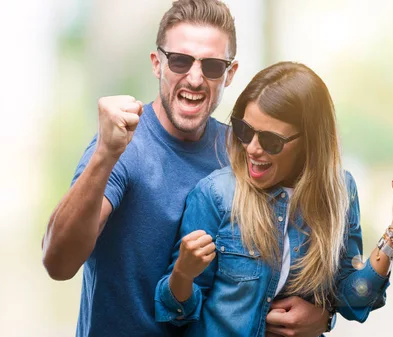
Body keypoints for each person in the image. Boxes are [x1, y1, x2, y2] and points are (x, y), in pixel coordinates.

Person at [41, 1, 331, 336]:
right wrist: (106, 153)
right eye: (180, 61)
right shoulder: (122, 147)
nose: (194, 78)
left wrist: (323, 314)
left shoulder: (243, 154)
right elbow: (58, 263)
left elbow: (291, 253)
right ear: (157, 64)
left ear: (229, 74)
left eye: (211, 66)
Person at [154, 61, 393, 337]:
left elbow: (355, 299)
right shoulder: (216, 194)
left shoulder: (340, 191)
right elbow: (176, 315)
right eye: (244, 131)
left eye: (271, 141)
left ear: (309, 142)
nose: (253, 149)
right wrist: (182, 275)